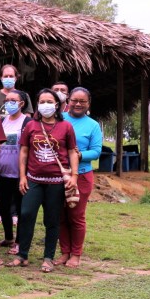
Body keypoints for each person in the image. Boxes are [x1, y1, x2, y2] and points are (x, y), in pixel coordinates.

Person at [10, 89, 79, 273]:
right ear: (37, 104)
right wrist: (23, 176)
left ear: (56, 105)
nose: (45, 105)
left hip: (56, 182)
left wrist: (74, 176)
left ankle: (48, 257)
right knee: (26, 214)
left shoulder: (66, 127)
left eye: (49, 101)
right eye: (42, 101)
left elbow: (72, 152)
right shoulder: (31, 126)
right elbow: (24, 151)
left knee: (52, 220)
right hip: (33, 180)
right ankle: (22, 255)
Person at [59, 87, 102, 268]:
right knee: (60, 215)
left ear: (88, 104)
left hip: (82, 175)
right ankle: (64, 252)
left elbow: (97, 151)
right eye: (74, 100)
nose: (78, 104)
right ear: (68, 101)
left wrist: (80, 155)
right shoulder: (59, 119)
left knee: (76, 215)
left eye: (82, 101)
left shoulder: (92, 125)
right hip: (59, 175)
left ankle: (76, 254)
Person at [0, 90, 31, 252]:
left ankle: (19, 241)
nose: (9, 102)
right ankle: (9, 237)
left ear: (21, 103)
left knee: (21, 208)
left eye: (13, 100)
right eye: (7, 100)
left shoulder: (27, 122)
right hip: (3, 172)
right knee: (3, 207)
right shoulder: (2, 121)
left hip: (20, 174)